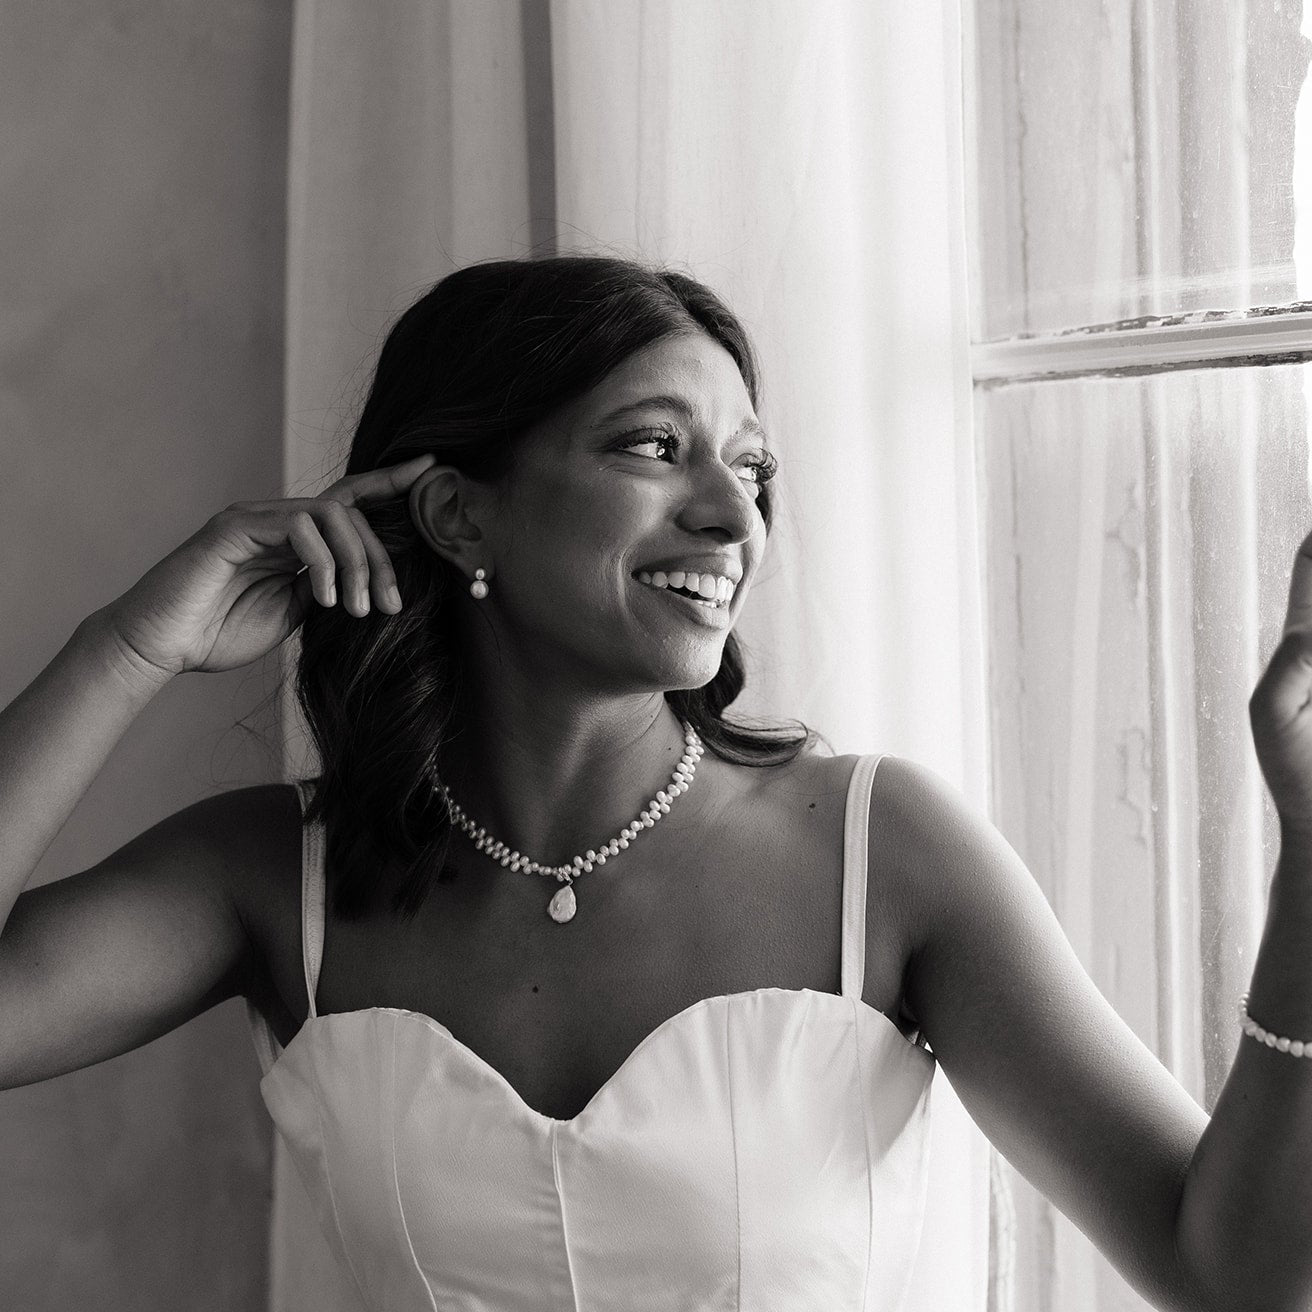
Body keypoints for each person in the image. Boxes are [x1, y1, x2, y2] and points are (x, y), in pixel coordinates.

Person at [2, 254, 1311, 1312]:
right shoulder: (270, 877)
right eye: (654, 447)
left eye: (752, 472)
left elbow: (1237, 1275)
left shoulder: (881, 850)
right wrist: (129, 645)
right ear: (461, 516)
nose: (735, 521)